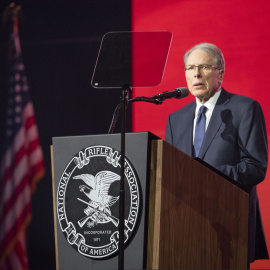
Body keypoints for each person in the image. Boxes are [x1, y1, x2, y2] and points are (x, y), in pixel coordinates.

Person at [165, 42, 269, 266]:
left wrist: (208, 175)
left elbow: (255, 167)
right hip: (184, 231)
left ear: (220, 72)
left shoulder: (244, 108)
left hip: (230, 227)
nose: (196, 74)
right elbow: (172, 171)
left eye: (203, 66)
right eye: (190, 68)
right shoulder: (176, 119)